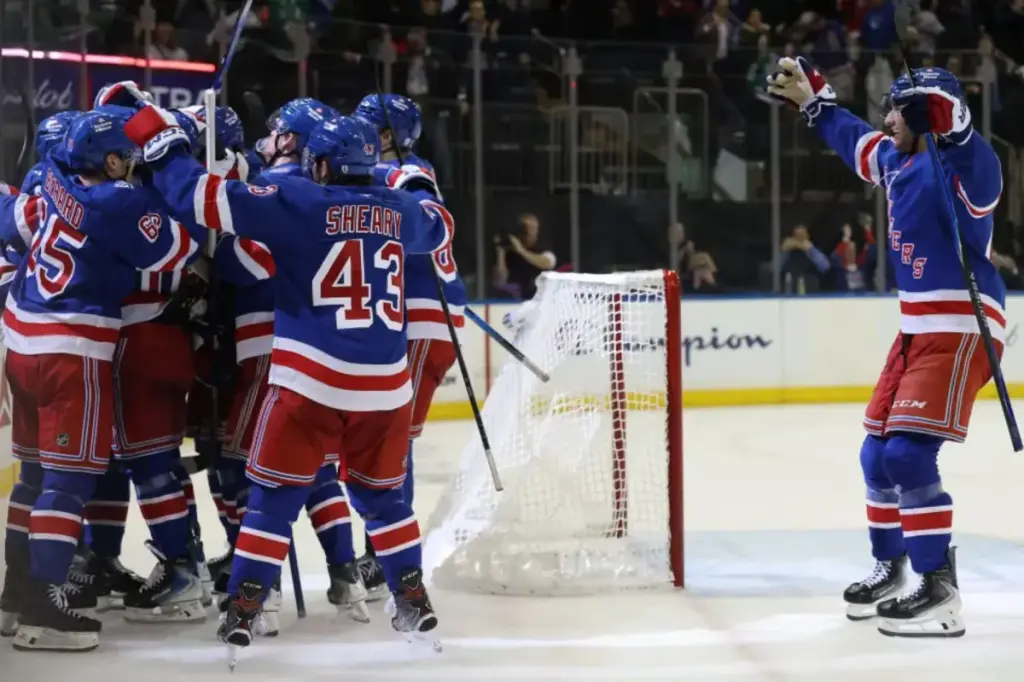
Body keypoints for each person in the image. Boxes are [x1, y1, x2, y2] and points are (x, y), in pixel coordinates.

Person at [123, 100, 453, 653]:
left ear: (318, 163)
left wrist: (159, 137)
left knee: (272, 498)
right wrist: (414, 180)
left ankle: (247, 605)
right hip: (386, 389)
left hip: (311, 383)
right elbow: (438, 228)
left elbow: (198, 198)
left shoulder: (298, 198)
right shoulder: (398, 207)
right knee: (386, 502)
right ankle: (411, 598)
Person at [768, 57, 1004, 638]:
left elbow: (963, 134)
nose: (887, 114)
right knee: (876, 457)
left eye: (901, 106)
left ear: (926, 113)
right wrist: (816, 102)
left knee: (906, 455)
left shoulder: (966, 166)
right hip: (917, 328)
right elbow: (856, 140)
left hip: (963, 325)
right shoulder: (897, 160)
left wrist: (944, 114)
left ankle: (940, 591)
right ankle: (893, 568)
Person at [0, 108, 203, 651]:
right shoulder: (119, 202)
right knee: (68, 483)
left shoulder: (52, 177)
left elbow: (12, 224)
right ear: (110, 160)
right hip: (73, 348)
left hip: (20, 338)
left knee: (34, 474)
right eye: (126, 158)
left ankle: (15, 593)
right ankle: (44, 606)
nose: (132, 166)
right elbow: (178, 252)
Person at [210, 97, 370, 635]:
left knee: (241, 465)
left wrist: (214, 244)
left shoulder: (282, 191)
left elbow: (241, 263)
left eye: (279, 131)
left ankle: (262, 589)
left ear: (294, 142)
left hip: (269, 350)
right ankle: (346, 573)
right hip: (310, 350)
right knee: (318, 468)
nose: (270, 136)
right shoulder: (322, 192)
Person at [355, 93, 466, 600]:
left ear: (389, 136)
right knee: (385, 436)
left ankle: (384, 559)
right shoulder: (379, 167)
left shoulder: (407, 170)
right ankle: (378, 553)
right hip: (409, 315)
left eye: (369, 127)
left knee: (394, 440)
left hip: (423, 317)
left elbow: (422, 213)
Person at [493, 212, 557, 299]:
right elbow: (499, 282)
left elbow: (548, 263)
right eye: (526, 228)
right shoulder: (510, 252)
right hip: (514, 300)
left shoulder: (542, 248)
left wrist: (521, 251)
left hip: (539, 300)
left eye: (533, 228)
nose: (529, 232)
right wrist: (501, 252)